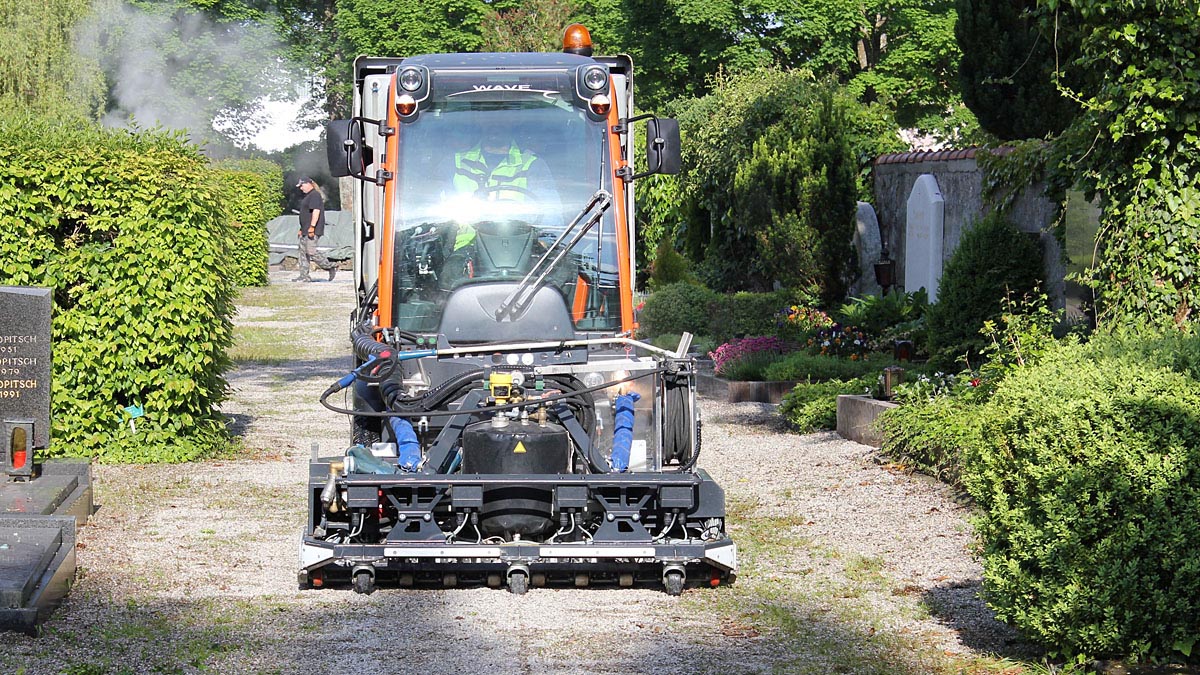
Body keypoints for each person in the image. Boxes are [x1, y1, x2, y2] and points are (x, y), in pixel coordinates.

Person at [295, 177, 338, 282]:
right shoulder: (308, 196)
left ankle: (330, 266)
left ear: (309, 184)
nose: (301, 188)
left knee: (311, 251)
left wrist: (312, 227)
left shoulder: (315, 195)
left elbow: (316, 211)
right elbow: (306, 215)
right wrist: (301, 228)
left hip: (312, 229)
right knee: (303, 252)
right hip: (305, 229)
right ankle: (304, 276)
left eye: (302, 185)